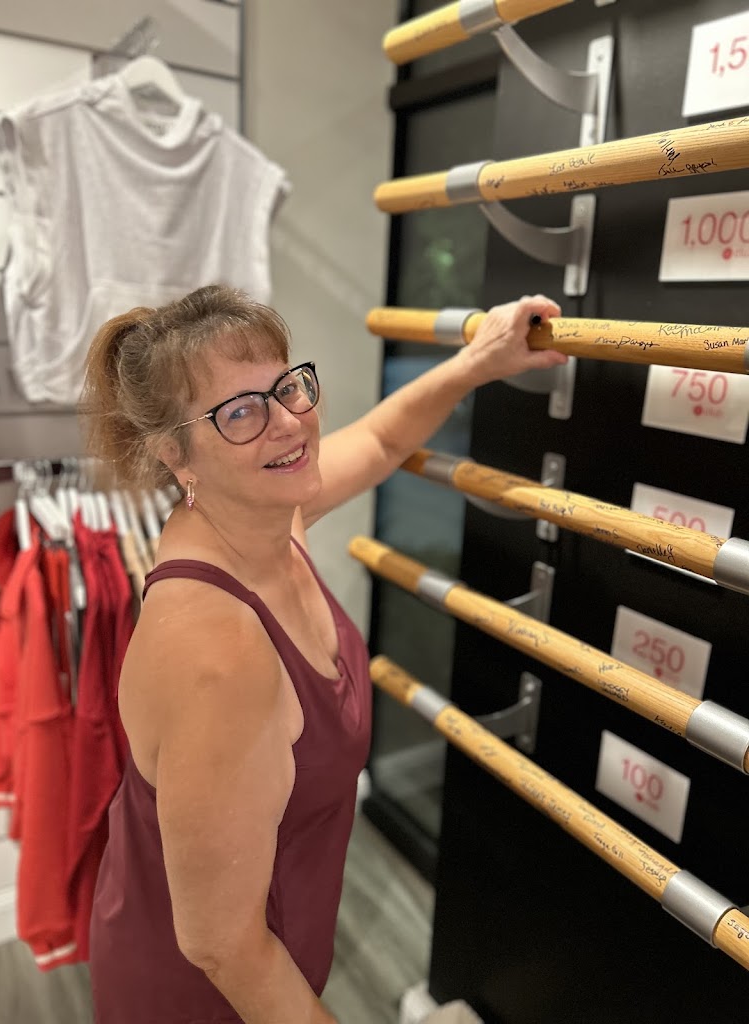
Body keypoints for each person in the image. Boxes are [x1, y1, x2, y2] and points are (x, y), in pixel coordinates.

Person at [82, 284, 565, 1024]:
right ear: (175, 455)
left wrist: (479, 361)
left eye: (287, 387)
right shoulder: (217, 651)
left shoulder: (265, 519)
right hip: (206, 997)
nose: (288, 422)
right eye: (239, 412)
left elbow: (380, 441)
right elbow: (225, 948)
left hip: (270, 951)